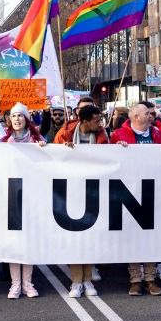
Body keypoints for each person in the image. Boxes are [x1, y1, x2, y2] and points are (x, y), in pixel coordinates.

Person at [111, 104, 161, 296]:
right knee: (133, 237)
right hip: (129, 191)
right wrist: (117, 150)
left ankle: (151, 278)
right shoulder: (118, 135)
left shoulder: (158, 133)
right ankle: (135, 279)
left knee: (151, 235)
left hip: (154, 190)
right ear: (135, 116)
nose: (151, 116)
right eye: (147, 113)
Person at [0, 104, 46, 299]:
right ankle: (15, 284)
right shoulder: (3, 140)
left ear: (26, 119)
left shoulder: (36, 139)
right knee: (13, 242)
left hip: (31, 196)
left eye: (20, 116)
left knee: (28, 241)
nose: (16, 119)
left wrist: (42, 147)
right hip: (10, 195)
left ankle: (28, 283)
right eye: (13, 116)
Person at [57, 104, 109, 298]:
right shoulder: (66, 133)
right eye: (97, 120)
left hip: (94, 192)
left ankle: (87, 279)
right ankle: (76, 282)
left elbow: (110, 159)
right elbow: (52, 158)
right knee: (75, 238)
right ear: (85, 121)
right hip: (70, 192)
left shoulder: (103, 136)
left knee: (90, 238)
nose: (100, 123)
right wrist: (63, 150)